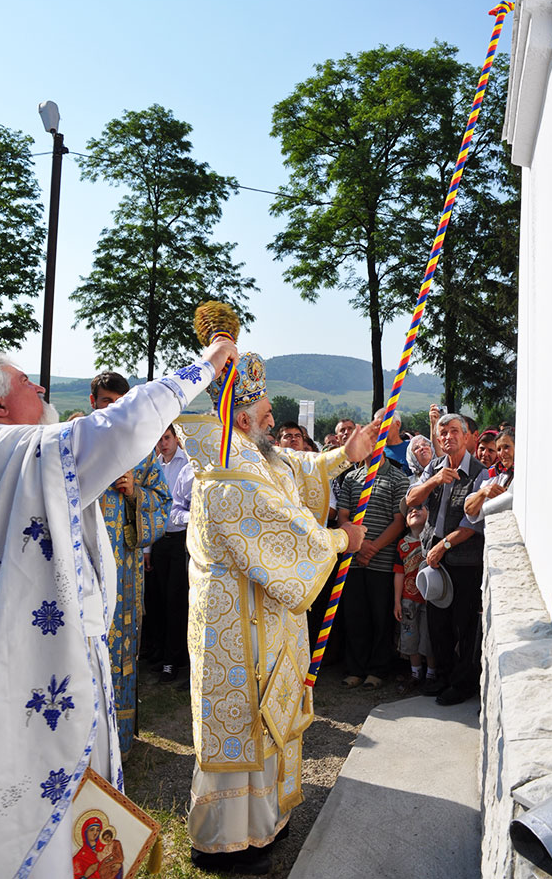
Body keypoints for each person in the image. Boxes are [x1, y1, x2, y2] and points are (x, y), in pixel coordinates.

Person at [0, 338, 235, 878]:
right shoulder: (8, 450)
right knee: (33, 813)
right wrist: (204, 366)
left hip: (25, 662)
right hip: (34, 674)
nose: (42, 387)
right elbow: (121, 427)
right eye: (25, 383)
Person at [183, 353, 376, 875]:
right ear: (242, 418)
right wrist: (341, 538)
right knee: (242, 726)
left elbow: (295, 468)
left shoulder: (255, 453)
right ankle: (226, 840)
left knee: (267, 721)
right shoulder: (225, 467)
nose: (275, 419)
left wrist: (344, 454)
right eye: (267, 412)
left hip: (266, 616)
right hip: (233, 625)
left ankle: (263, 823)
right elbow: (278, 525)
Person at [89, 372, 171, 749]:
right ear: (94, 403)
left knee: (120, 647)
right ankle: (83, 745)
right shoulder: (76, 445)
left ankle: (119, 743)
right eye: (107, 402)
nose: (114, 409)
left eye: (120, 402)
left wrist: (136, 492)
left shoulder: (142, 451)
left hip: (123, 570)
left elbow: (164, 503)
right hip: (83, 567)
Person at [405, 413, 488, 706]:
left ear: (466, 436)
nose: (448, 437)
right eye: (443, 433)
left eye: (454, 431)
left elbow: (471, 524)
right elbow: (411, 500)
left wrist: (443, 546)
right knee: (437, 623)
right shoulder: (434, 468)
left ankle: (463, 683)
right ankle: (442, 675)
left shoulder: (480, 473)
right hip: (433, 558)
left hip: (463, 561)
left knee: (463, 625)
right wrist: (435, 480)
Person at [338, 445, 408, 688]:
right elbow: (343, 517)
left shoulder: (397, 477)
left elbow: (399, 522)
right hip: (354, 560)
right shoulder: (351, 478)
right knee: (355, 616)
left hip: (383, 560)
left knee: (380, 616)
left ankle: (377, 670)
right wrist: (359, 546)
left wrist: (373, 548)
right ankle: (355, 668)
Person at [150, 424, 191, 682]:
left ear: (176, 439)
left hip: (180, 538)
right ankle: (160, 652)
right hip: (157, 538)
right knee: (158, 599)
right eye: (159, 439)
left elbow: (180, 506)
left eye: (167, 437)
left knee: (176, 600)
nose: (163, 443)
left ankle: (173, 660)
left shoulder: (186, 465)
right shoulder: (154, 466)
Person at [393, 505, 434, 693]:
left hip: (429, 598)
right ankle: (416, 673)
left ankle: (432, 675)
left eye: (420, 508)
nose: (414, 511)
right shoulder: (402, 544)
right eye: (409, 510)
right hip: (408, 600)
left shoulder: (433, 541)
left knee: (429, 638)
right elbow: (399, 574)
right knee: (410, 638)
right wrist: (396, 601)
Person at [465, 428, 515, 520]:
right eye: (499, 449)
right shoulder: (499, 478)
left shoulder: (528, 475)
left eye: (506, 447)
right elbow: (469, 510)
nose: (502, 453)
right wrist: (483, 492)